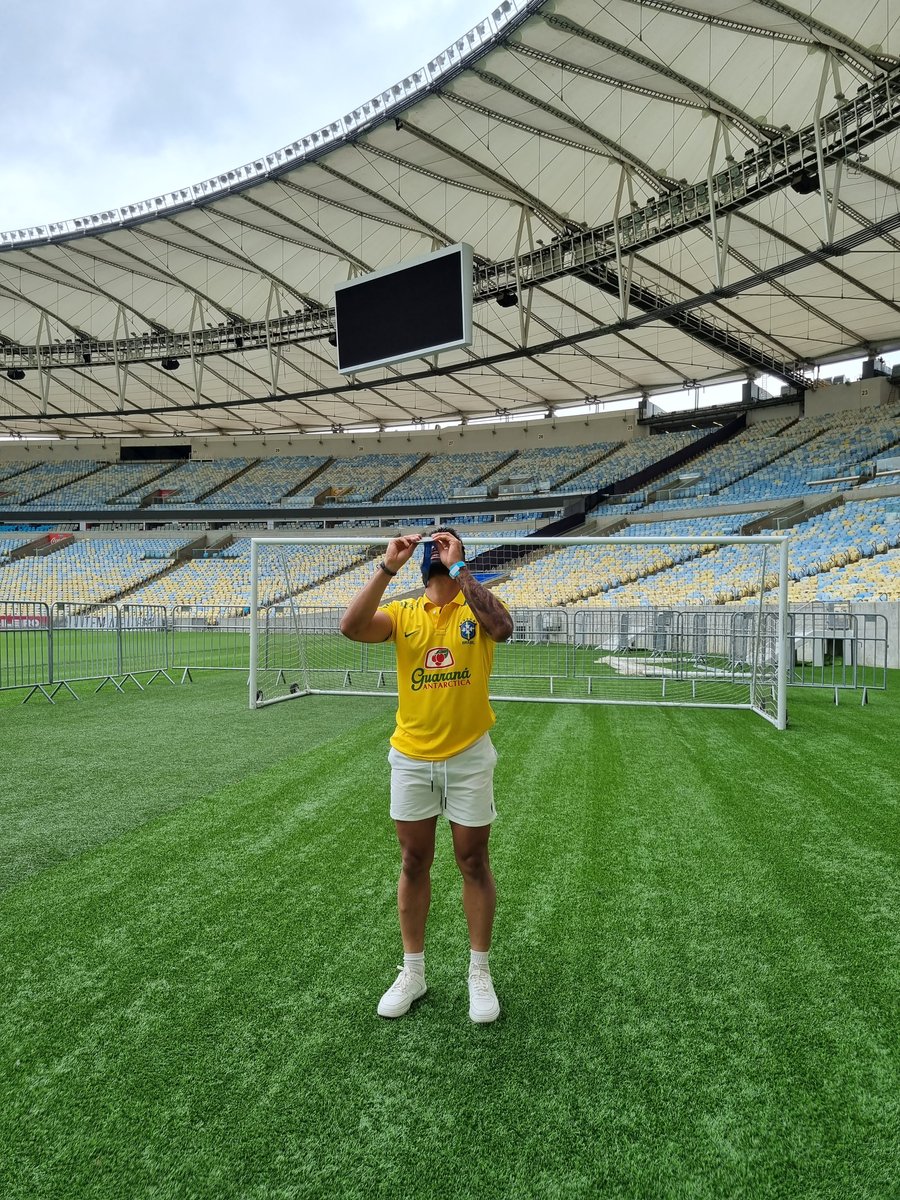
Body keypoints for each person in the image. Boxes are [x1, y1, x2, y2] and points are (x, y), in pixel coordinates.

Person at [340, 527, 513, 1023]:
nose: (436, 548)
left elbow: (503, 628)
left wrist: (460, 568)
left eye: (447, 542)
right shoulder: (403, 612)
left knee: (473, 860)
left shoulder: (475, 610)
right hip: (411, 757)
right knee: (414, 860)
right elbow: (351, 628)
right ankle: (412, 971)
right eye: (431, 545)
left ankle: (479, 972)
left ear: (460, 555)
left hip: (468, 756)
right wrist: (388, 566)